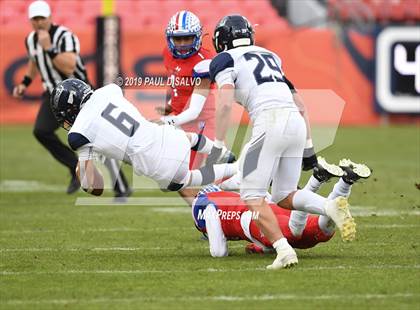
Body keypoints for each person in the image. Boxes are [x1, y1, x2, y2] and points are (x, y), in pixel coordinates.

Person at [208, 15, 356, 269]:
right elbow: (300, 103)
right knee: (284, 195)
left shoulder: (224, 60)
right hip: (294, 123)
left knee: (252, 195)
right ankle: (331, 206)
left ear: (221, 40)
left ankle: (284, 250)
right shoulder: (270, 56)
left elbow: (224, 102)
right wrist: (309, 147)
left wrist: (219, 143)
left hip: (269, 123)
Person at [12, 0, 130, 197]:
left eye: (42, 18)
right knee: (41, 131)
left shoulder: (64, 37)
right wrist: (24, 82)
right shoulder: (31, 40)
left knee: (98, 138)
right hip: (53, 94)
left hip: (79, 95)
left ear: (50, 18)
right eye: (35, 19)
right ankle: (75, 166)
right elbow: (34, 60)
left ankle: (121, 185)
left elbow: (68, 67)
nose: (39, 22)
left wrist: (49, 48)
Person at [50, 78, 237, 194]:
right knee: (187, 138)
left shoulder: (78, 133)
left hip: (156, 164)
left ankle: (236, 170)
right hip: (165, 136)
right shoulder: (109, 90)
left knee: (182, 181)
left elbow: (95, 188)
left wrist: (81, 170)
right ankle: (221, 152)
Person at [190, 158, 371, 257]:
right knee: (318, 232)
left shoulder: (206, 207)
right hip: (267, 208)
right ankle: (343, 180)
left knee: (297, 233)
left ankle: (333, 182)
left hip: (254, 220)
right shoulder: (226, 196)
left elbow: (219, 252)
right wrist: (259, 246)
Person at [159, 11, 221, 169]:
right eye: (178, 38)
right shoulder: (168, 54)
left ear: (198, 36)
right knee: (174, 176)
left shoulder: (204, 63)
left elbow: (194, 111)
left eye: (187, 38)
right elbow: (176, 82)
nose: (182, 44)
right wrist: (171, 104)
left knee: (189, 178)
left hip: (202, 123)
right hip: (183, 121)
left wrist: (165, 122)